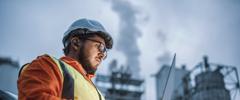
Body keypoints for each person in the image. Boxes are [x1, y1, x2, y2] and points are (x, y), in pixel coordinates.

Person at [17, 18, 113, 100]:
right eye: (100, 47)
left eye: (104, 51)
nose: (102, 55)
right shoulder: (49, 66)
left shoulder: (98, 93)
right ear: (76, 43)